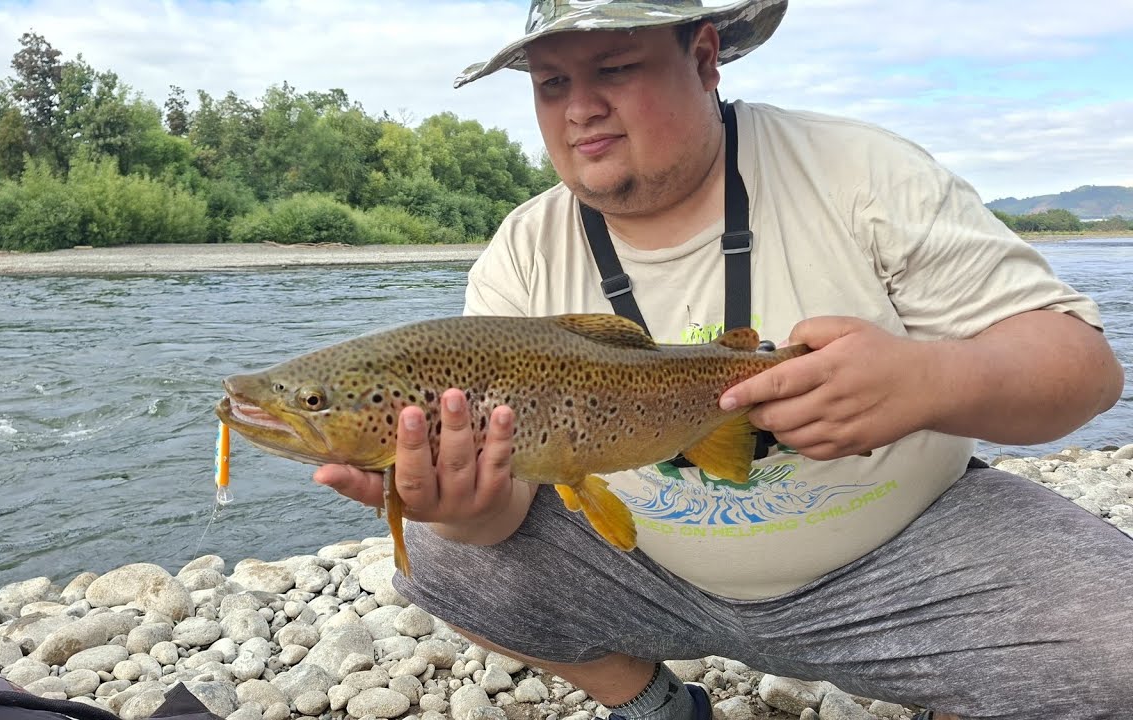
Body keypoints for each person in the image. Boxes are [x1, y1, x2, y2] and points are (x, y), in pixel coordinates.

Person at [314, 2, 1132, 719]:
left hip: (903, 561)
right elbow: (500, 517)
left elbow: (1084, 371)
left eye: (616, 67)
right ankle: (651, 705)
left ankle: (954, 695)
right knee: (437, 552)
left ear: (705, 59)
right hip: (645, 575)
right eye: (552, 84)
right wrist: (459, 503)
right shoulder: (521, 251)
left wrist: (929, 382)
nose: (580, 109)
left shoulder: (863, 173)